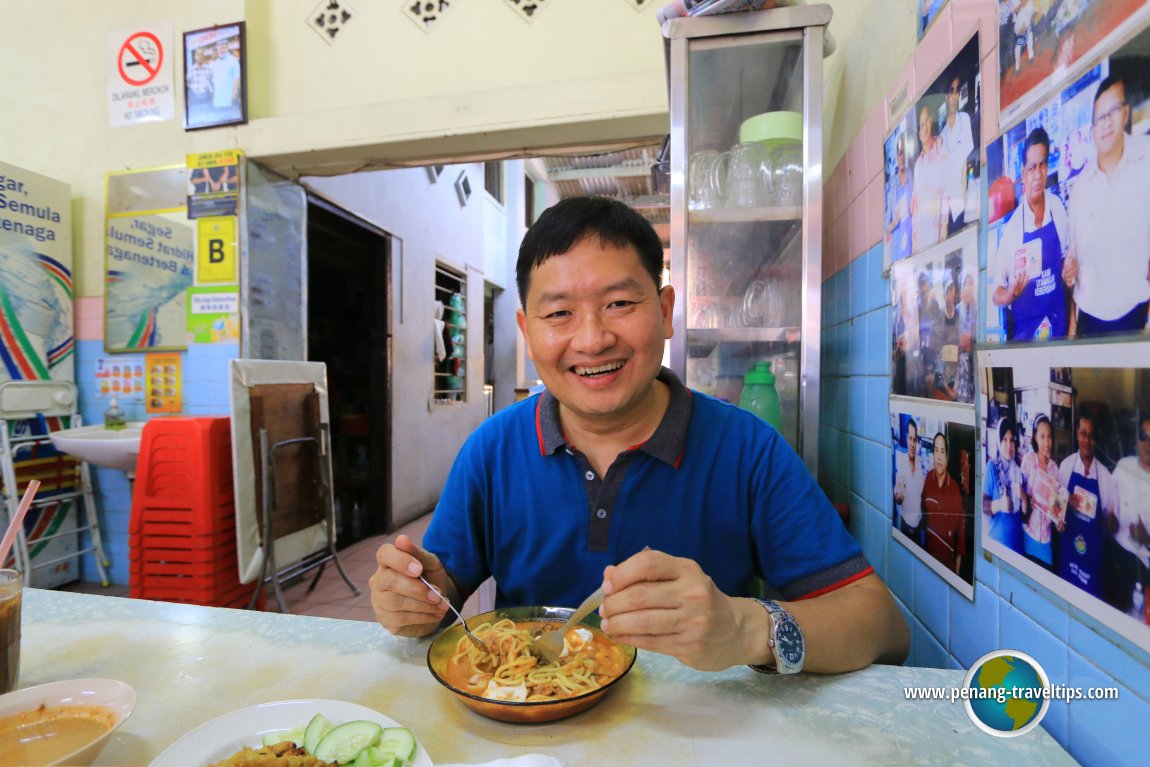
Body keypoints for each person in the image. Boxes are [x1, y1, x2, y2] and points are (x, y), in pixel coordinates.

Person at [369, 197, 908, 674]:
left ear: (667, 311)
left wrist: (746, 628)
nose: (593, 339)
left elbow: (881, 627)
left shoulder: (748, 450)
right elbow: (441, 591)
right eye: (559, 313)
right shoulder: (492, 450)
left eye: (620, 304)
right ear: (527, 331)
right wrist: (418, 598)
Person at [1064, 77, 1150, 336]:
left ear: (1125, 113)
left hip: (1137, 314)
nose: (1107, 122)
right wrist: (1069, 271)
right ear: (1092, 131)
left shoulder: (1145, 160)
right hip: (1091, 319)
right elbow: (1073, 266)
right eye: (1100, 117)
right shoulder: (1080, 188)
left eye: (1113, 111)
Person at [992, 127, 1070, 341]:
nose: (1037, 175)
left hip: (1058, 329)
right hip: (1025, 338)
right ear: (1023, 174)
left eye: (1042, 165)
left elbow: (1066, 264)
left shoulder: (1057, 208)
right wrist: (1010, 294)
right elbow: (996, 292)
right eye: (1031, 168)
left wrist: (1069, 270)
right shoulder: (1012, 230)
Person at [1057, 414, 1116, 598]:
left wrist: (1110, 521)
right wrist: (1065, 506)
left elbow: (1111, 527)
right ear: (1077, 434)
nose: (1087, 440)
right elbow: (1056, 510)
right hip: (1068, 557)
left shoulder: (1105, 477)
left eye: (1091, 435)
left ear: (1096, 440)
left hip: (1092, 564)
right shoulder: (1066, 466)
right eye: (1083, 434)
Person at [1107, 417, 1150, 615]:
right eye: (1143, 436)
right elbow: (1110, 509)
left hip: (1143, 567)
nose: (1147, 443)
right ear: (1136, 440)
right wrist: (1110, 521)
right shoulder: (1123, 467)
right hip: (1117, 557)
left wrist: (1146, 539)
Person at [1020, 414, 1061, 569]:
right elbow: (1019, 494)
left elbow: (1057, 505)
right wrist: (1025, 498)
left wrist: (1059, 520)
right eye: (1042, 436)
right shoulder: (1028, 461)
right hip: (1029, 535)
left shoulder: (1055, 469)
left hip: (1047, 540)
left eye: (1049, 437)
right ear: (1035, 437)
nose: (1046, 442)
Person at [923, 432, 965, 576]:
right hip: (928, 563)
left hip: (948, 568)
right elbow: (923, 516)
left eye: (942, 451)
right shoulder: (928, 479)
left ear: (946, 456)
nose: (939, 456)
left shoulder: (954, 489)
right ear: (933, 454)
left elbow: (960, 539)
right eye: (936, 451)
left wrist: (957, 575)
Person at [984, 416, 1025, 553]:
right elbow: (983, 506)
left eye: (1012, 440)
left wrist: (1023, 496)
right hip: (998, 547)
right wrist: (999, 505)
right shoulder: (992, 467)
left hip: (1018, 545)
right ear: (998, 442)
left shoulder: (1019, 470)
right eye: (1004, 439)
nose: (1009, 445)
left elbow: (1025, 515)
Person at [940, 75, 974, 236]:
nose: (954, 96)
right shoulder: (942, 135)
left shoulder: (964, 120)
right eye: (951, 91)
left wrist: (964, 198)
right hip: (947, 208)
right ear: (946, 97)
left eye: (956, 92)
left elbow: (965, 164)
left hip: (962, 201)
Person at [911, 105, 945, 254]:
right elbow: (915, 208)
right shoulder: (918, 165)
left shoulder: (940, 147)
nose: (924, 128)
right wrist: (914, 247)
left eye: (926, 122)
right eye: (920, 125)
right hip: (921, 244)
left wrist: (944, 234)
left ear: (931, 122)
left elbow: (946, 192)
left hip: (937, 238)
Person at [893, 418, 925, 547]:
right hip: (906, 530)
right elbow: (898, 497)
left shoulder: (920, 466)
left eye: (915, 440)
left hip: (919, 531)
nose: (912, 444)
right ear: (906, 438)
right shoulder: (901, 465)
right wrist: (899, 497)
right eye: (910, 438)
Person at [886, 134, 913, 264]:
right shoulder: (892, 188)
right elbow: (887, 227)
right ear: (897, 156)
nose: (902, 157)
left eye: (904, 153)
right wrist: (894, 222)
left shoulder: (911, 176)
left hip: (912, 241)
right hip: (898, 248)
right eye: (900, 153)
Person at [207, 39, 242, 118]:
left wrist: (235, 92)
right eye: (220, 48)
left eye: (223, 47)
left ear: (227, 48)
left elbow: (236, 77)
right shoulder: (215, 63)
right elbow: (211, 80)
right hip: (218, 100)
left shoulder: (233, 61)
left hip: (230, 99)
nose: (221, 50)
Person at [955, 272, 975, 402]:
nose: (968, 287)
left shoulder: (979, 308)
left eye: (970, 283)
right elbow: (949, 337)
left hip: (974, 361)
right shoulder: (956, 310)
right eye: (965, 284)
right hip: (960, 364)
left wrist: (972, 338)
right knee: (960, 400)